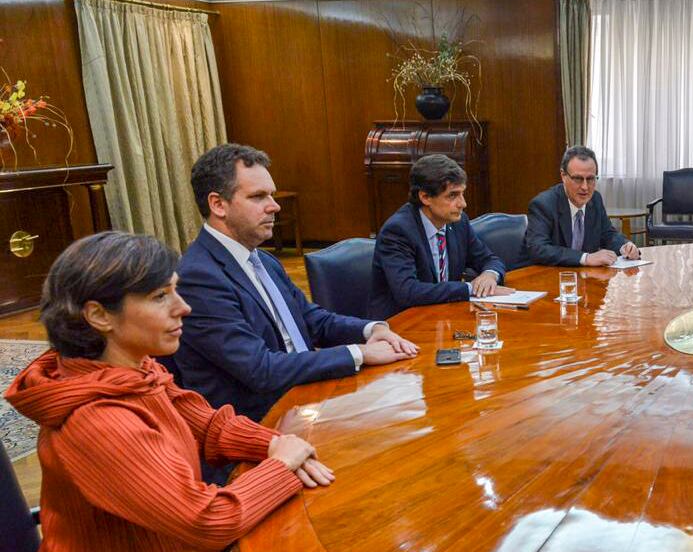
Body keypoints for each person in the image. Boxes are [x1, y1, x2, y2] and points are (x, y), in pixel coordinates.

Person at [4, 231, 333, 552]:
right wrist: (280, 467)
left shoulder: (131, 371)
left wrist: (279, 443)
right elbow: (206, 520)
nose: (184, 308)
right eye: (161, 296)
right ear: (99, 316)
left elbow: (209, 426)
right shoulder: (98, 421)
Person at [173, 143, 417, 423]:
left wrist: (371, 330)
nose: (274, 206)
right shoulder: (198, 277)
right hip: (259, 424)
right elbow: (261, 369)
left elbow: (312, 321)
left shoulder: (263, 260)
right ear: (218, 204)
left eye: (271, 195)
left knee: (408, 404)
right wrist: (360, 353)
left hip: (306, 400)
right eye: (258, 196)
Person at [370, 154, 510, 320]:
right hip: (402, 323)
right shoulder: (398, 231)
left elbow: (489, 259)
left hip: (444, 316)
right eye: (452, 195)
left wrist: (489, 274)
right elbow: (407, 291)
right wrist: (469, 289)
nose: (463, 204)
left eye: (462, 194)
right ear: (425, 197)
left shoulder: (458, 222)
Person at [525, 146, 641, 267]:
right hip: (550, 274)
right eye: (578, 179)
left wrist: (625, 246)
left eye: (590, 179)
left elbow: (608, 234)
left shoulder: (595, 199)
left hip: (586, 275)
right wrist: (585, 258)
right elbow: (538, 248)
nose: (585, 187)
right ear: (563, 176)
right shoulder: (543, 204)